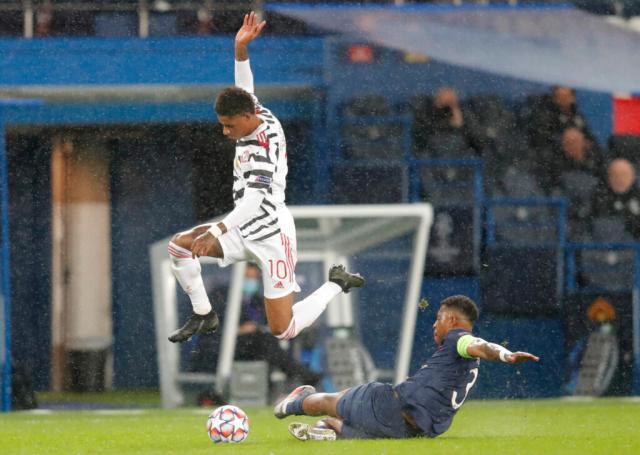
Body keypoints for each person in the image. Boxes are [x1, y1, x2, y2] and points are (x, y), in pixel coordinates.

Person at [167, 12, 364, 343]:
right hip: (242, 229)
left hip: (272, 235)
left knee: (282, 329)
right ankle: (204, 314)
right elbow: (244, 87)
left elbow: (254, 200)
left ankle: (336, 283)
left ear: (246, 118)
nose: (226, 132)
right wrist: (240, 48)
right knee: (179, 246)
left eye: (229, 125)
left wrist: (215, 230)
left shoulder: (263, 146)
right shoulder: (253, 111)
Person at [274, 295, 539, 441]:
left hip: (388, 405)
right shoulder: (465, 361)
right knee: (350, 427)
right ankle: (327, 427)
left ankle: (294, 403)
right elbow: (480, 347)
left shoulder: (458, 338)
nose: (435, 325)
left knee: (333, 401)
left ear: (451, 320)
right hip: (412, 431)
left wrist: (505, 355)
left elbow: (481, 345)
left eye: (438, 318)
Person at [189, 263, 322, 387]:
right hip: (220, 346)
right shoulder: (220, 295)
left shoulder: (257, 300)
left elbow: (270, 322)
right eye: (247, 277)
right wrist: (237, 330)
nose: (250, 281)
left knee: (268, 342)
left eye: (253, 278)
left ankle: (275, 385)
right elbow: (208, 325)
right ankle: (300, 375)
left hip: (250, 346)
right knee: (265, 342)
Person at [591, 158, 640, 239]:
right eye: (615, 175)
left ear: (633, 177)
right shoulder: (600, 195)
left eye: (624, 174)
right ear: (609, 177)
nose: (620, 179)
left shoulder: (638, 195)